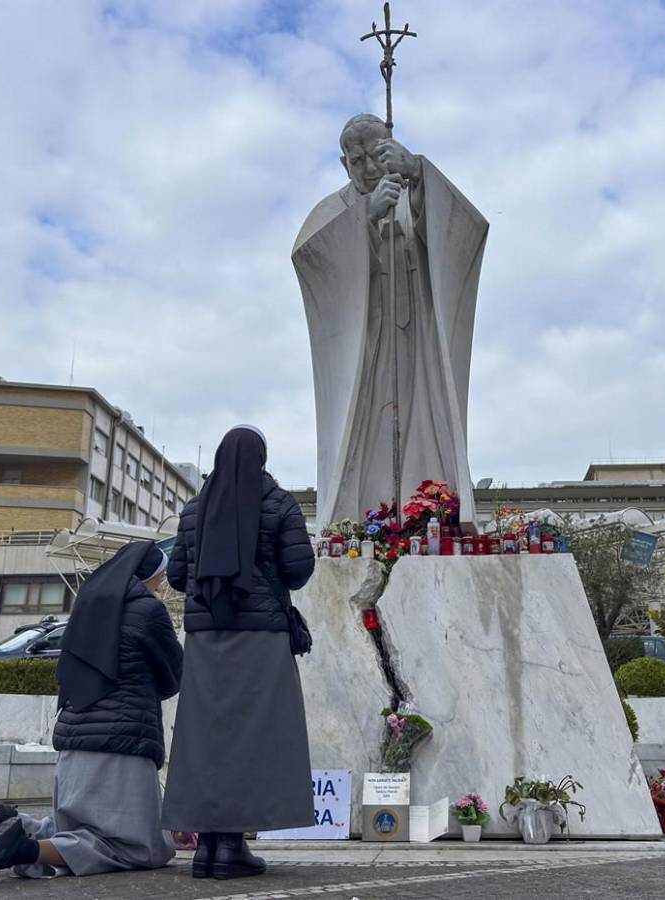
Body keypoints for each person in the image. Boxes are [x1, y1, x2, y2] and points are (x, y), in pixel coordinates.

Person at [293, 113, 488, 529]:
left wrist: (418, 174)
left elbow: (466, 230)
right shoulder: (333, 209)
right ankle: (362, 518)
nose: (366, 168)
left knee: (425, 415)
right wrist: (362, 218)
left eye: (375, 156)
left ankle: (428, 512)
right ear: (344, 163)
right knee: (367, 425)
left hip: (418, 339)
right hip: (365, 345)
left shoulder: (412, 189)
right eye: (356, 159)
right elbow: (310, 258)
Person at [0, 541, 183, 888]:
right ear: (149, 575)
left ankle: (17, 824)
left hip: (74, 741)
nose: (160, 582)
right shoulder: (147, 610)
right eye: (160, 576)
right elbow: (173, 675)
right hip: (122, 746)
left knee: (77, 828)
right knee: (138, 848)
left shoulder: (87, 606)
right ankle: (20, 848)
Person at [162, 425, 316, 880]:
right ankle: (231, 845)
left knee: (205, 737)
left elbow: (175, 577)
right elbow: (298, 568)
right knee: (254, 738)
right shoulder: (280, 504)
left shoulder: (194, 510)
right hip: (261, 637)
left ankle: (208, 846)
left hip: (207, 637)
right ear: (262, 459)